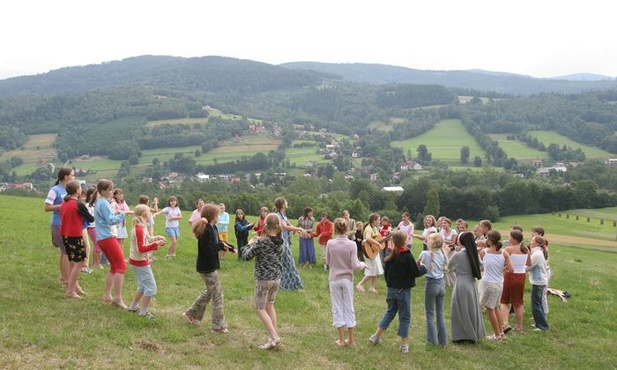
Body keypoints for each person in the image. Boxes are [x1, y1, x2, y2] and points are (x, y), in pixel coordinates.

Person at [368, 231, 427, 354]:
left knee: (390, 312)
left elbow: (387, 274)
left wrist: (390, 285)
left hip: (391, 289)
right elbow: (415, 273)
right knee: (404, 317)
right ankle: (404, 345)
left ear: (393, 242)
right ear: (405, 241)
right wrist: (423, 268)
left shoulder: (391, 255)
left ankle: (375, 336)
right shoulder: (407, 255)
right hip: (403, 291)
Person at [183, 203, 235, 331]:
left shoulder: (213, 228)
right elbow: (209, 250)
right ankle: (218, 326)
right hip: (207, 267)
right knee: (218, 295)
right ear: (213, 216)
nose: (219, 217)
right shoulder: (206, 231)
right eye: (218, 215)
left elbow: (218, 242)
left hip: (210, 266)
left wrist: (229, 247)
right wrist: (219, 247)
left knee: (209, 292)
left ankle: (191, 313)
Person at [241, 213, 285, 350]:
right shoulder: (282, 242)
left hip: (263, 280)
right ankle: (272, 338)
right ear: (278, 227)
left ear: (265, 226)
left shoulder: (261, 242)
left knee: (260, 308)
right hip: (276, 279)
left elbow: (246, 256)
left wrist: (249, 244)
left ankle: (274, 337)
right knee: (270, 306)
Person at [326, 218, 366, 346]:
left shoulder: (330, 243)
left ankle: (341, 339)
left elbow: (328, 261)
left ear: (335, 229)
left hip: (334, 278)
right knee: (349, 306)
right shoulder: (352, 244)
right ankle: (351, 340)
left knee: (337, 307)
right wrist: (363, 264)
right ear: (347, 229)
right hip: (347, 279)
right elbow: (355, 265)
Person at [94, 179, 130, 309]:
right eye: (110, 189)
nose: (113, 191)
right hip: (108, 238)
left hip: (102, 238)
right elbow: (110, 220)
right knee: (121, 266)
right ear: (103, 191)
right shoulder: (104, 203)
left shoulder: (100, 201)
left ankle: (107, 295)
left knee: (114, 267)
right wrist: (122, 215)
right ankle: (117, 298)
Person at [127, 204, 166, 319]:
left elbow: (147, 239)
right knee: (151, 287)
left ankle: (133, 306)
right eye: (149, 213)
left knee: (142, 286)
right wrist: (156, 244)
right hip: (139, 262)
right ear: (145, 215)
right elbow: (141, 249)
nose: (150, 215)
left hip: (137, 260)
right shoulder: (139, 229)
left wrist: (156, 238)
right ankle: (143, 311)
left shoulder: (142, 227)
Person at [60, 180, 95, 298]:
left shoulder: (65, 202)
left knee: (72, 261)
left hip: (65, 235)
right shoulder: (78, 204)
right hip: (74, 235)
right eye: (80, 188)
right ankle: (70, 291)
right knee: (79, 263)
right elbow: (90, 219)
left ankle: (75, 286)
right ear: (77, 191)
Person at [449, 232, 485, 343]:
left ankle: (461, 335)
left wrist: (446, 254)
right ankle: (472, 332)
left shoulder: (458, 254)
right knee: (471, 308)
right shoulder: (474, 253)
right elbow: (481, 266)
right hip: (471, 282)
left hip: (461, 282)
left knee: (460, 308)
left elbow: (448, 268)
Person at [479, 230, 513, 340]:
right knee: (496, 307)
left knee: (490, 308)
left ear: (490, 240)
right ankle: (501, 333)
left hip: (488, 282)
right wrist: (500, 270)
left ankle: (497, 334)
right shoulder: (504, 252)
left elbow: (480, 267)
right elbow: (511, 269)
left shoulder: (484, 252)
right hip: (499, 283)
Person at [44, 166, 75, 288]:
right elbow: (47, 207)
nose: (74, 177)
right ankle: (67, 280)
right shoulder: (55, 190)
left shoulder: (68, 190)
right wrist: (62, 206)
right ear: (66, 177)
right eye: (72, 175)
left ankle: (63, 277)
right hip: (58, 224)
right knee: (66, 252)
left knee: (64, 252)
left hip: (67, 224)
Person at [273, 197, 310, 290]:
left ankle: (291, 284)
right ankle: (289, 285)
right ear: (282, 204)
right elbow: (284, 227)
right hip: (280, 242)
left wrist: (297, 231)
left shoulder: (283, 214)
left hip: (285, 241)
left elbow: (289, 224)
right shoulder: (277, 215)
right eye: (286, 202)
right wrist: (299, 229)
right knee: (288, 263)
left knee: (287, 263)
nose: (287, 203)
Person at [417, 233, 447, 347]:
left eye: (428, 239)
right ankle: (443, 341)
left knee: (430, 313)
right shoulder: (443, 253)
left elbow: (417, 265)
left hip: (431, 284)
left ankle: (432, 341)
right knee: (440, 314)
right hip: (441, 284)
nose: (427, 241)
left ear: (433, 243)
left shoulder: (425, 253)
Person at [500, 229, 530, 333]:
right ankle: (519, 326)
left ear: (514, 239)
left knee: (504, 301)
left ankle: (505, 323)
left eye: (510, 237)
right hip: (521, 276)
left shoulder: (508, 249)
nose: (508, 239)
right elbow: (529, 263)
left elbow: (503, 262)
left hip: (510, 275)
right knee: (518, 303)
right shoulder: (526, 249)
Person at [356, 213, 384, 293]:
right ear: (374, 220)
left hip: (374, 251)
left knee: (376, 269)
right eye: (378, 220)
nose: (379, 221)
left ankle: (372, 287)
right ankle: (360, 284)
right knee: (371, 270)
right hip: (369, 251)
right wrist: (378, 244)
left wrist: (387, 237)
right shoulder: (368, 229)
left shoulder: (375, 228)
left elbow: (378, 238)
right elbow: (368, 238)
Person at [526, 235, 550, 331]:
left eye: (532, 241)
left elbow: (528, 266)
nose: (530, 242)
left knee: (535, 305)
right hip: (540, 281)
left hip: (538, 282)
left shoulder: (536, 254)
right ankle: (538, 323)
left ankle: (542, 326)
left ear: (536, 243)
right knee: (538, 303)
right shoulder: (538, 253)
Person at [531, 226, 550, 315]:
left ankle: (543, 314)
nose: (532, 233)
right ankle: (540, 314)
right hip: (541, 273)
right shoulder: (538, 247)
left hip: (542, 274)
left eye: (534, 232)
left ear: (539, 234)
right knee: (540, 296)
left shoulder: (542, 245)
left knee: (542, 296)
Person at [86, 187, 103, 269]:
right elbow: (90, 217)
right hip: (92, 227)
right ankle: (96, 263)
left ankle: (96, 262)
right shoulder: (88, 206)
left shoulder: (96, 204)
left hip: (97, 226)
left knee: (98, 244)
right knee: (97, 244)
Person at [440, 218, 458, 287]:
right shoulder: (441, 231)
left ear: (449, 224)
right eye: (443, 223)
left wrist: (444, 240)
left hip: (451, 250)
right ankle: (446, 282)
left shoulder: (453, 231)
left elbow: (453, 242)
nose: (443, 224)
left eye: (445, 223)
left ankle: (453, 282)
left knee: (451, 266)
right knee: (444, 266)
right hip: (443, 249)